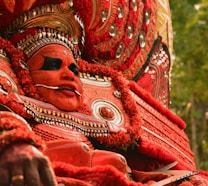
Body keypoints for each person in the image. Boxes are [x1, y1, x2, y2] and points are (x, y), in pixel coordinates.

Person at [1, 0, 208, 186]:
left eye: (75, 70)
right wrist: (13, 144)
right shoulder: (12, 115)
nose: (69, 76)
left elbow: (149, 169)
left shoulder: (104, 126)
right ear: (22, 69)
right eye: (54, 65)